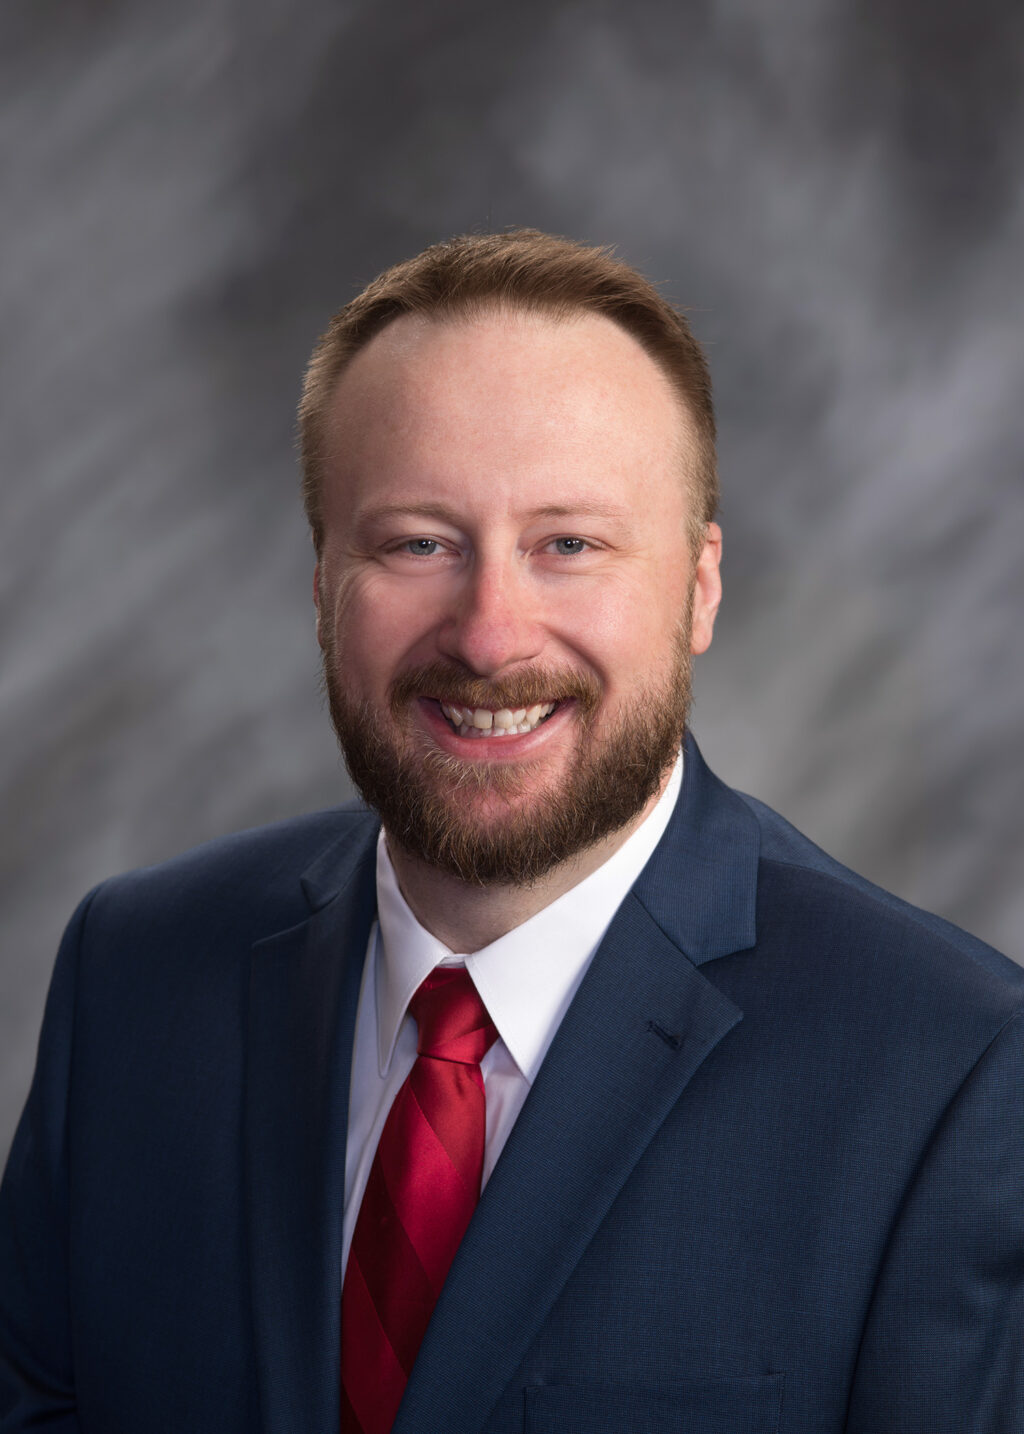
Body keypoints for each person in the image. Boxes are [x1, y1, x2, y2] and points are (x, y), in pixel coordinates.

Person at [1, 230, 1021, 1434]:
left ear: (698, 588)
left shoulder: (949, 1067)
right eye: (416, 543)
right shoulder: (136, 973)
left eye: (568, 545)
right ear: (322, 582)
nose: (489, 634)